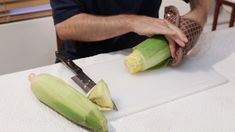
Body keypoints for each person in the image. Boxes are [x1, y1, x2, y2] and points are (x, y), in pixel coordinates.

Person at [50, 0, 210, 62]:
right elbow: (66, 26)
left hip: (142, 59)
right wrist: (131, 22)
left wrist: (185, 33)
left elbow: (202, 5)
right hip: (83, 64)